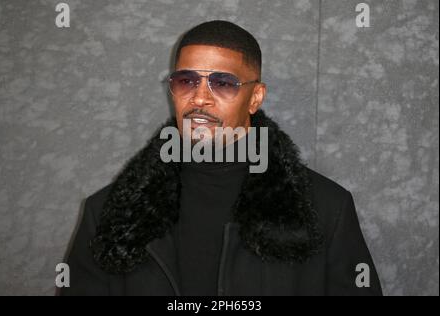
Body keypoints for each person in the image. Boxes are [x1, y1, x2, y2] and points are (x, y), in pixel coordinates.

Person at [61, 20, 382, 296]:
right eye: (186, 81)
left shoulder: (325, 208)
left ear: (255, 97)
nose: (200, 97)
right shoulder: (109, 212)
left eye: (223, 83)